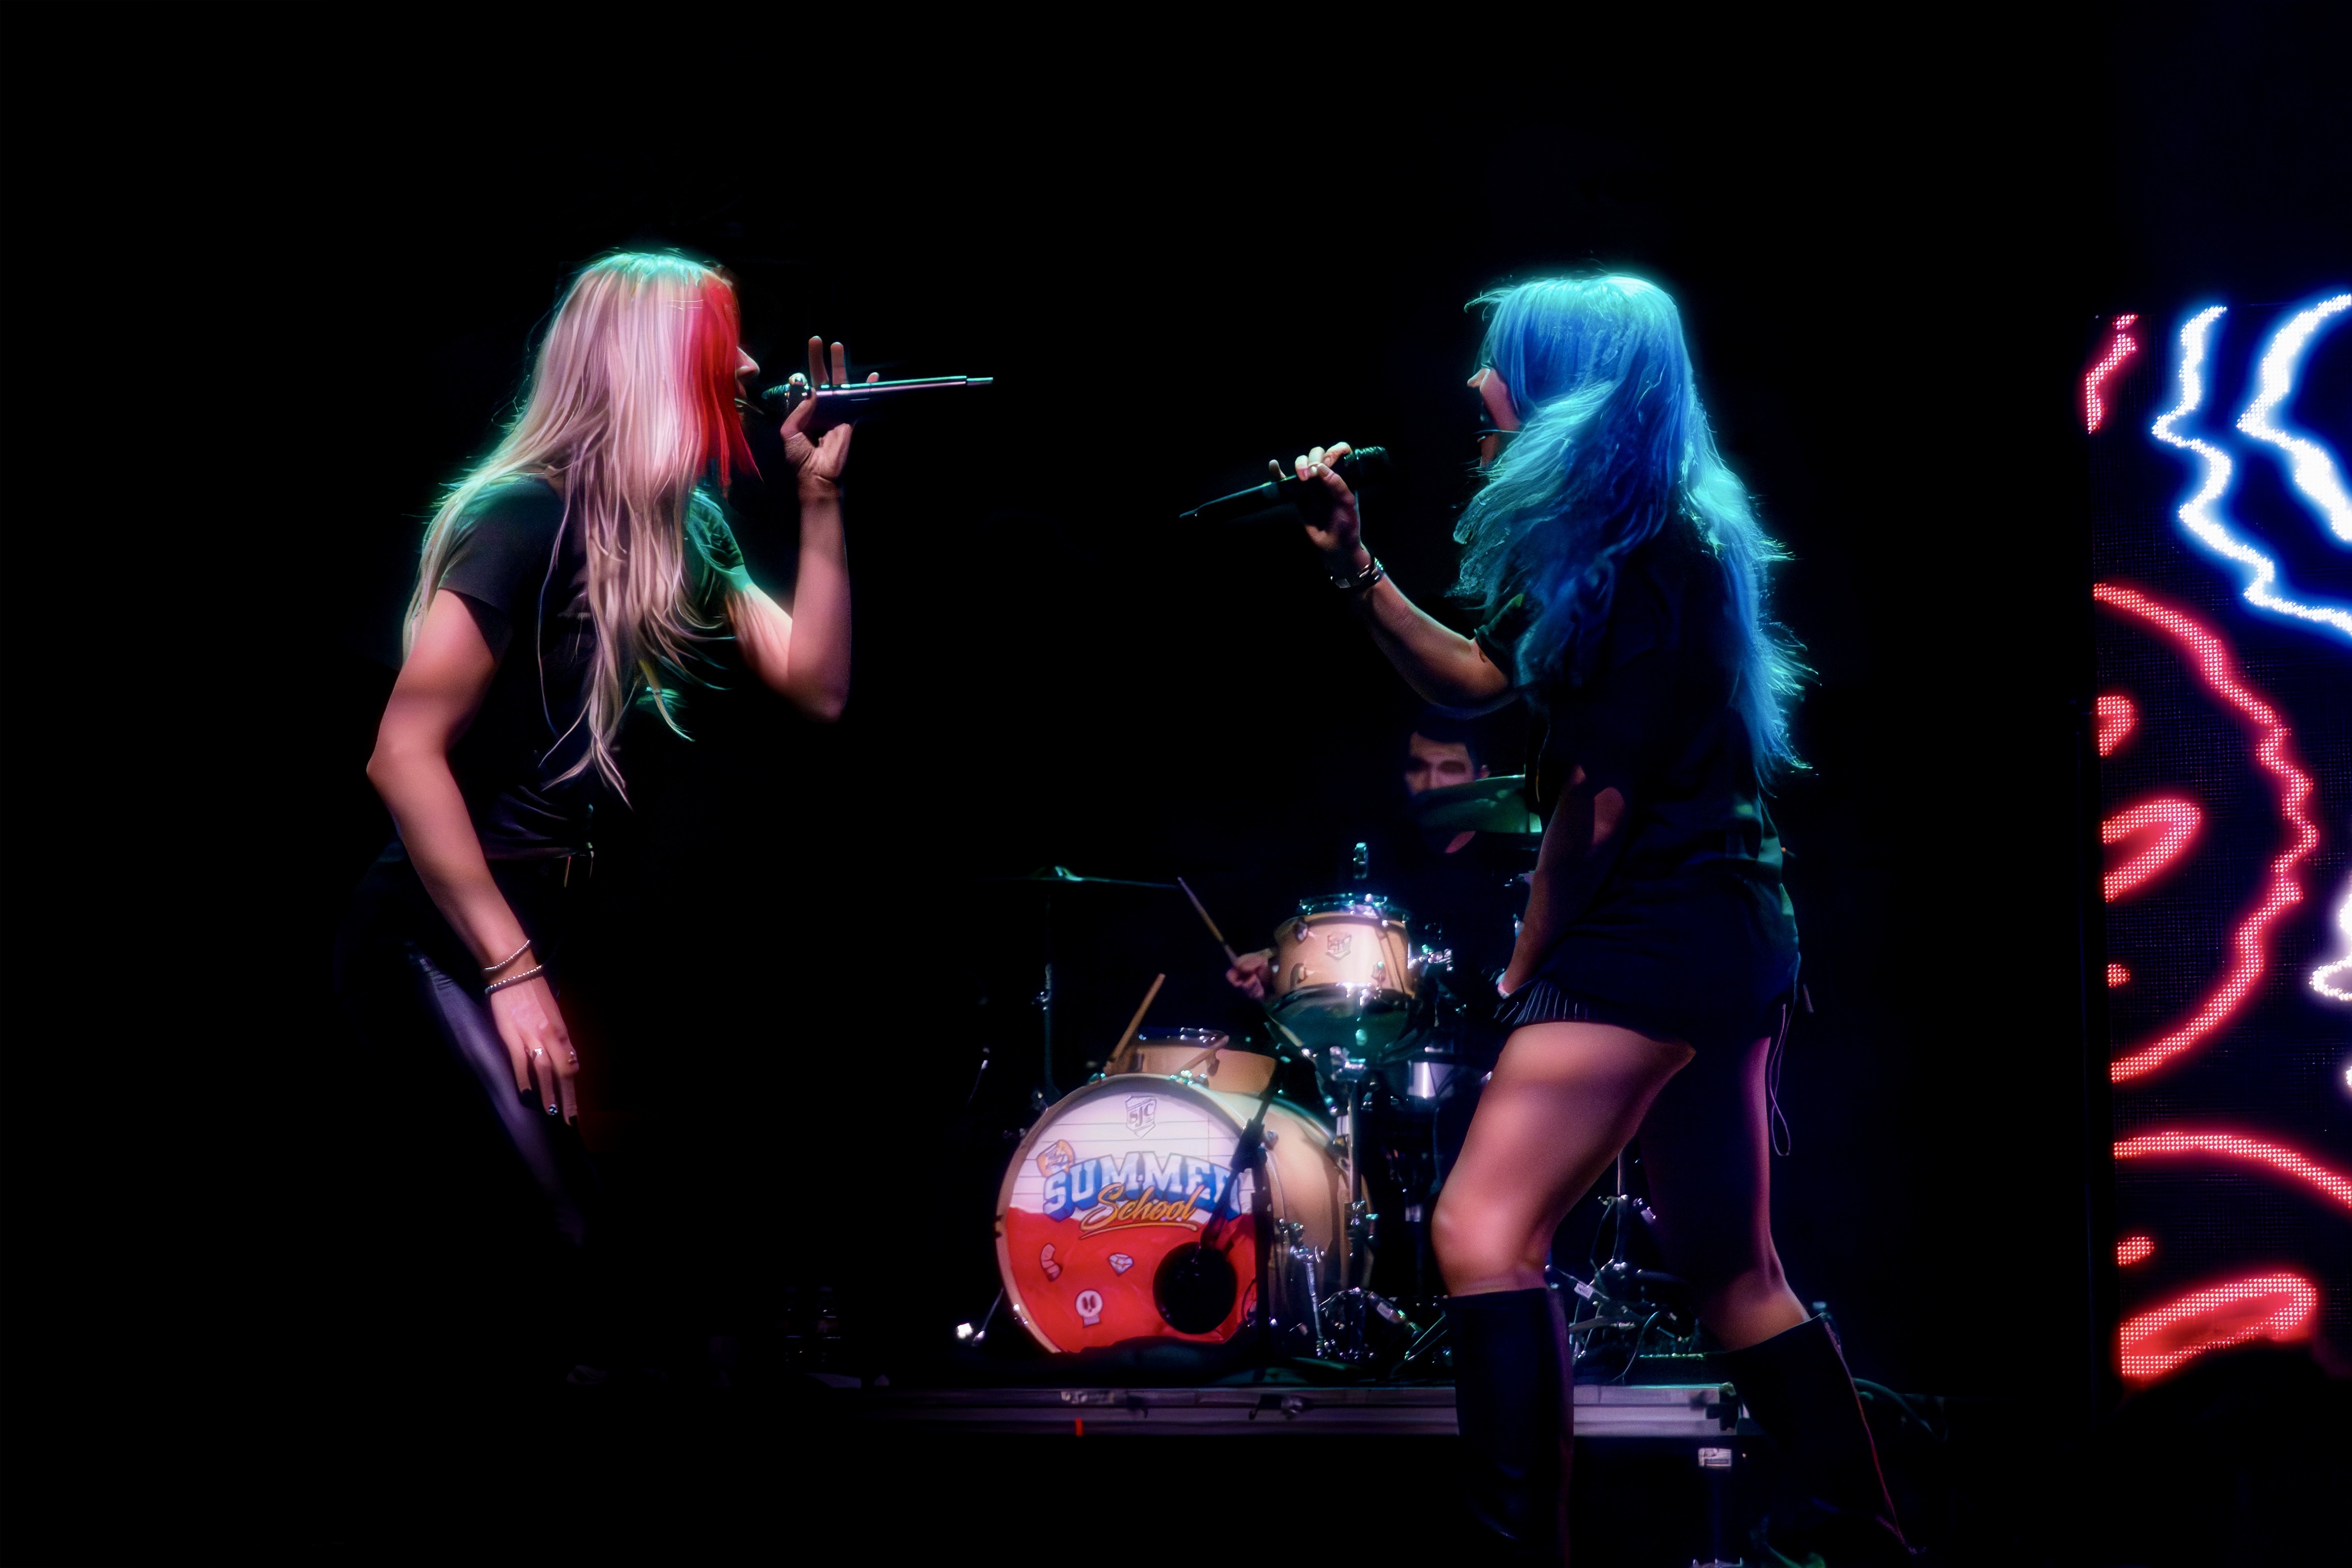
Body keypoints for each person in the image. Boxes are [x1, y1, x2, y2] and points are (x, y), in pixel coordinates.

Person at [1279, 275, 1907, 1563]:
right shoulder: (1630, 538)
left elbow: (1598, 806)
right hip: (1725, 931)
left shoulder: (1651, 557)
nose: (1476, 383)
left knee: (1480, 1230)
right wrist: (1356, 570)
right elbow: (1480, 678)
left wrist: (1524, 966)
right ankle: (1870, 1543)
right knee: (1735, 1275)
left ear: (1568, 389)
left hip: (1651, 937)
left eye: (1503, 363)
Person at [334, 251, 874, 1376]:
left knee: (596, 1247)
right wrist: (511, 969)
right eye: (724, 339)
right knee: (558, 1234)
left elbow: (817, 685)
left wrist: (820, 499)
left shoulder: (686, 528)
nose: (752, 365)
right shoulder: (522, 516)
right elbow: (402, 754)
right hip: (439, 935)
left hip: (547, 926)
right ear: (654, 360)